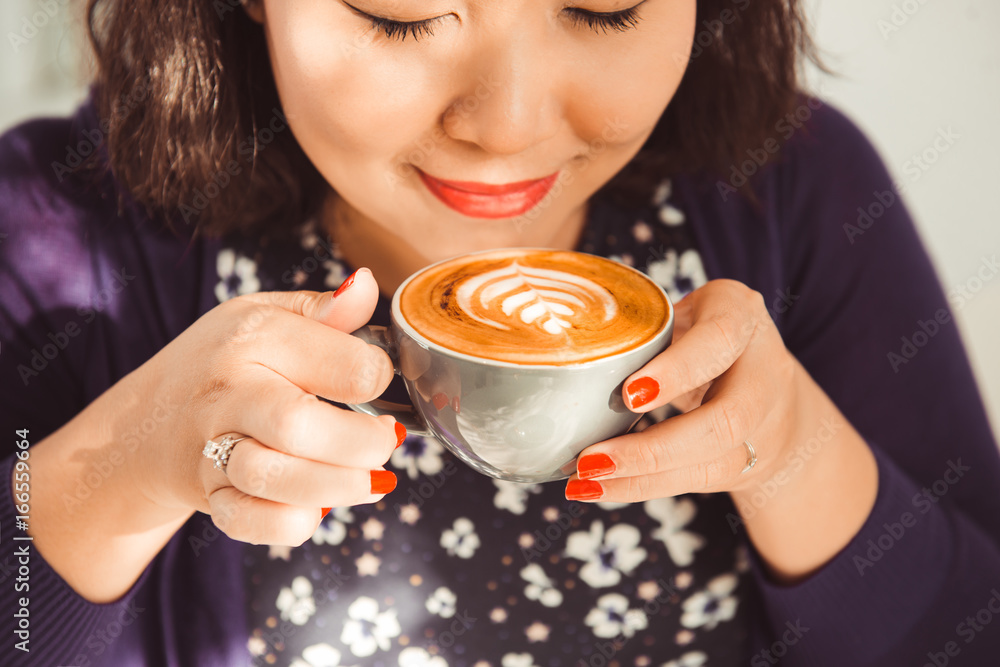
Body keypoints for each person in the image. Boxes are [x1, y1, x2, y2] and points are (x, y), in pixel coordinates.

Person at [1, 0, 999, 665]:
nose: (508, 123)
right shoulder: (49, 231)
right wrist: (119, 469)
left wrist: (796, 461)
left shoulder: (800, 193)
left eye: (604, 4)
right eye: (402, 13)